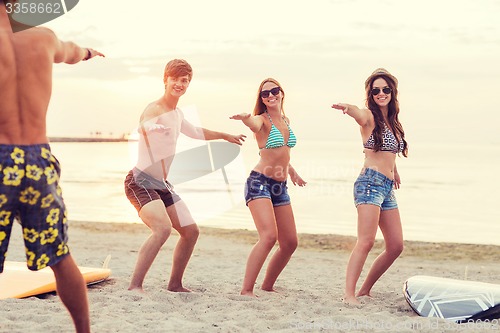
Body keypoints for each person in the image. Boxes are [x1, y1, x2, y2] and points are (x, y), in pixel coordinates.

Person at [0, 2, 104, 332]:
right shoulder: (43, 37)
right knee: (60, 257)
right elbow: (72, 51)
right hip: (37, 160)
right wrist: (88, 52)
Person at [124, 59, 246, 293]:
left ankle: (175, 284)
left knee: (191, 231)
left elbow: (197, 132)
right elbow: (142, 126)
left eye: (185, 80)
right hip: (140, 181)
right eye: (176, 79)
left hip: (162, 184)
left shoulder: (178, 114)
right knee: (162, 230)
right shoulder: (155, 108)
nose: (180, 84)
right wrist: (153, 128)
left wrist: (223, 135)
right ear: (165, 80)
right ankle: (135, 286)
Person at [331, 68, 408, 305]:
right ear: (370, 94)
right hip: (369, 184)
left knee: (395, 246)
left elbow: (388, 152)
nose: (381, 93)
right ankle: (349, 295)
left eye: (385, 89)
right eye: (376, 90)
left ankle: (365, 290)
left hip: (386, 187)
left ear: (392, 92)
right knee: (366, 241)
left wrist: (394, 170)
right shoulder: (369, 117)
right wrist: (349, 108)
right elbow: (359, 114)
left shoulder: (393, 121)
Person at [230, 78, 306, 297]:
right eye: (265, 94)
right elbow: (253, 124)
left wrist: (292, 172)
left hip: (279, 187)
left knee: (290, 242)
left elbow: (282, 153)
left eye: (274, 91)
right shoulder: (261, 121)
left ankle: (268, 286)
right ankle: (246, 290)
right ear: (261, 99)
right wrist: (246, 119)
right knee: (268, 237)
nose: (270, 95)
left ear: (282, 93)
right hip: (259, 183)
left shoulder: (285, 119)